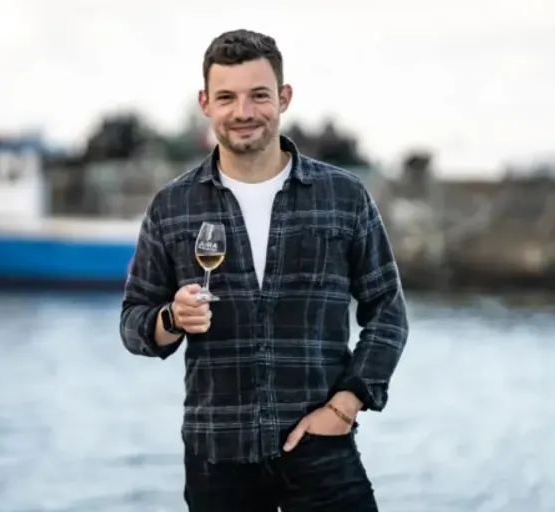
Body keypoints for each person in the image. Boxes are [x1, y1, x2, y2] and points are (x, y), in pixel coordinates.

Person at [120, 28, 409, 511]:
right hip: (218, 458)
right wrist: (172, 318)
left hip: (322, 449)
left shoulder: (344, 196)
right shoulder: (173, 206)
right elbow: (134, 324)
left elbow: (388, 312)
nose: (244, 112)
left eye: (259, 95)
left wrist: (346, 405)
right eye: (227, 97)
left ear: (284, 97)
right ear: (206, 103)